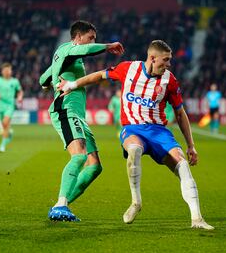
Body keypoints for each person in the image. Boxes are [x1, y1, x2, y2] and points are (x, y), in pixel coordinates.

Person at [58, 40, 214, 230]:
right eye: (165, 60)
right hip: (133, 129)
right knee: (134, 150)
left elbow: (180, 113)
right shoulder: (128, 69)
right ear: (152, 58)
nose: (169, 65)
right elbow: (100, 76)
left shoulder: (169, 80)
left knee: (182, 165)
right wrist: (72, 84)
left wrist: (191, 145)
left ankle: (196, 219)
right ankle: (136, 202)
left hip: (159, 131)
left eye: (170, 61)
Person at [39, 20, 124, 222]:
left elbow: (44, 77)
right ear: (78, 37)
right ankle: (60, 205)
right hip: (66, 109)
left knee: (94, 166)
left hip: (78, 115)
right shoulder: (69, 49)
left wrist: (47, 84)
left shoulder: (64, 56)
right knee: (78, 157)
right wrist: (107, 46)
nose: (92, 41)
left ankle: (62, 205)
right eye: (90, 37)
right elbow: (86, 50)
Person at [0, 63, 23, 152]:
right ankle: (9, 134)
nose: (7, 72)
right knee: (5, 126)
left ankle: (2, 146)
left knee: (5, 123)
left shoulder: (15, 81)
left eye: (9, 70)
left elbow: (20, 91)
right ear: (2, 71)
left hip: (10, 106)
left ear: (11, 71)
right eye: (5, 70)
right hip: (0, 106)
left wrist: (19, 97)